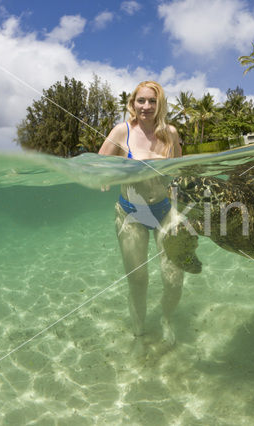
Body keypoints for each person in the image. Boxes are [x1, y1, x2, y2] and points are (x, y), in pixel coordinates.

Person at [98, 81, 184, 346]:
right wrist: (105, 177)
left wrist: (180, 208)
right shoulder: (121, 131)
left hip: (164, 211)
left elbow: (179, 169)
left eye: (152, 101)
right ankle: (139, 331)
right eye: (141, 100)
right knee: (138, 278)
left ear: (160, 105)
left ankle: (167, 318)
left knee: (174, 278)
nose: (146, 106)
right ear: (132, 103)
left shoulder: (170, 133)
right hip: (130, 214)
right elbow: (98, 162)